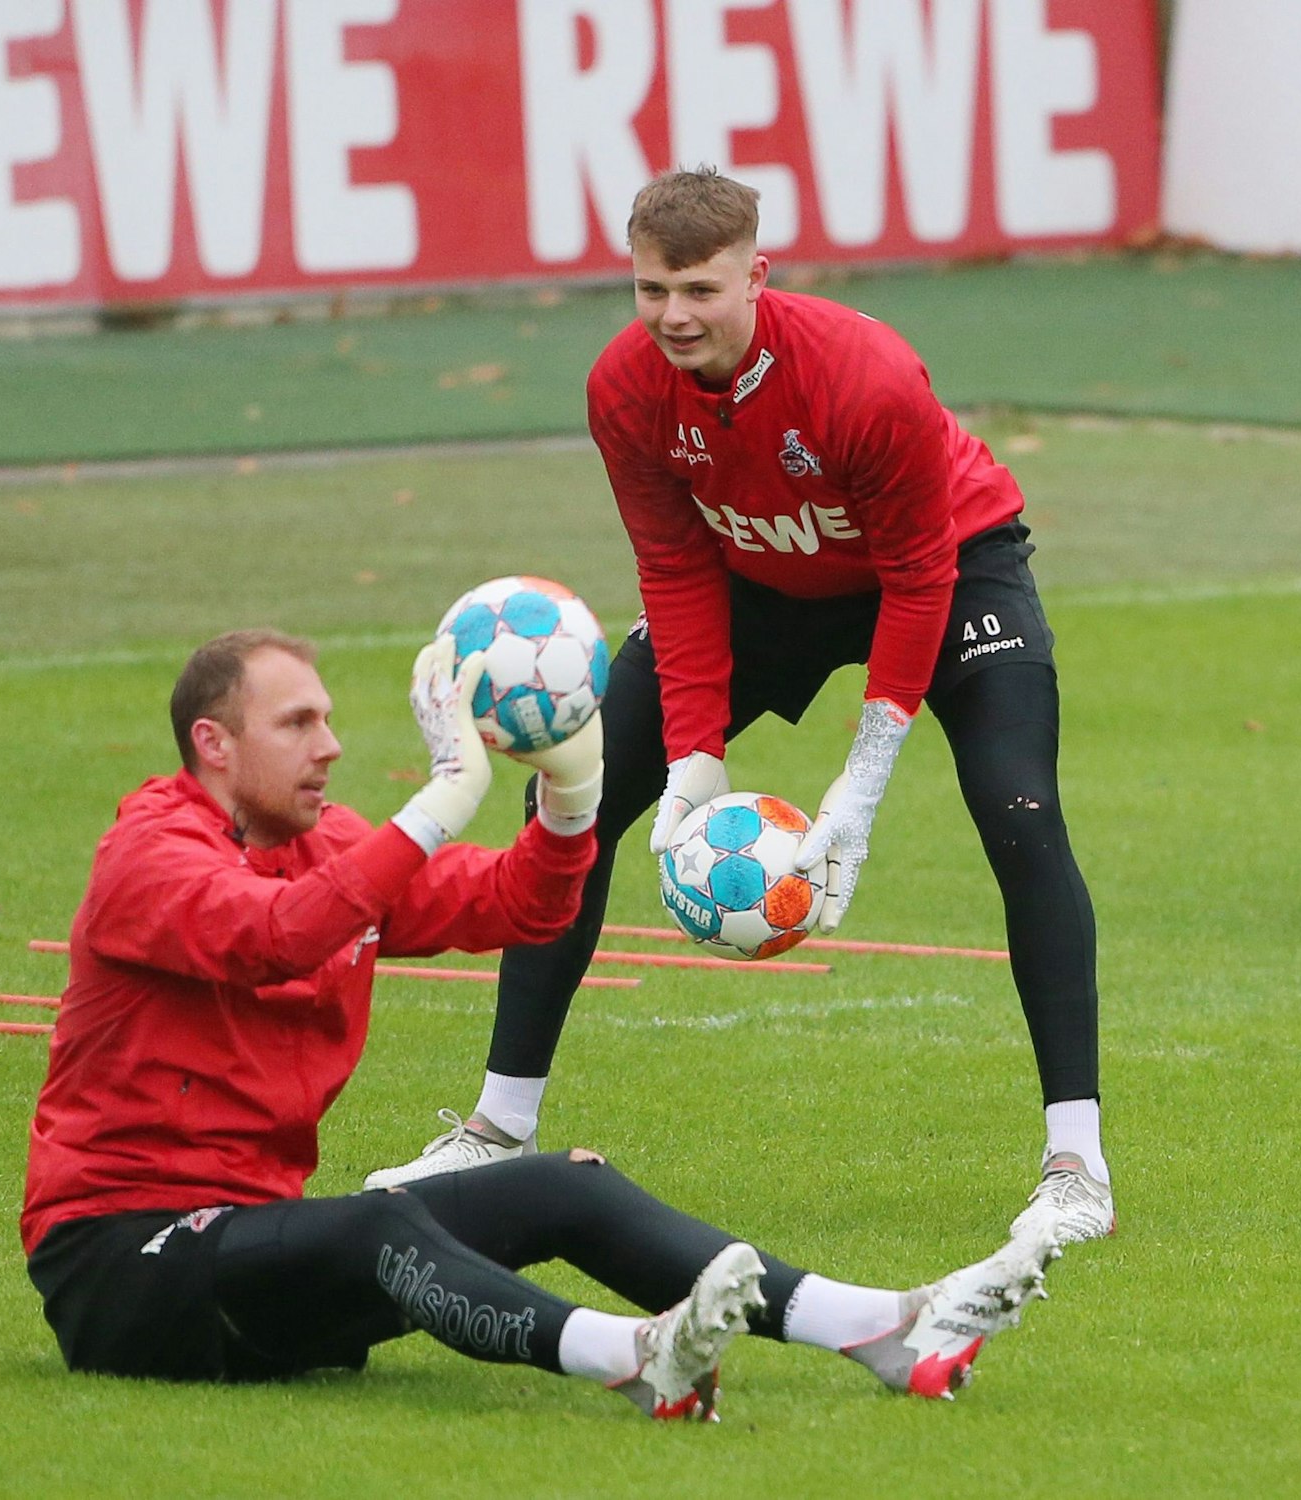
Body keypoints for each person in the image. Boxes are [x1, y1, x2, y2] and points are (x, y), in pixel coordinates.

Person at [21, 627, 1054, 1416]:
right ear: (211, 743)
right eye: (297, 724)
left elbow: (513, 906)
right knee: (387, 1217)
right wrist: (433, 803)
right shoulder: (145, 858)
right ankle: (635, 1359)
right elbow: (276, 937)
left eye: (328, 719)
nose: (329, 746)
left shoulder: (322, 845)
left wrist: (570, 801)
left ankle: (879, 1330)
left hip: (253, 1253)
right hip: (120, 1269)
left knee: (563, 1186)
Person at [367, 167, 1114, 1247]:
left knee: (1019, 813)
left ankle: (1074, 1165)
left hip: (947, 569)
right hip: (754, 581)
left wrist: (859, 782)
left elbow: (914, 578)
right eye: (649, 289)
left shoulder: (866, 378)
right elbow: (672, 572)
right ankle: (495, 1130)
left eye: (699, 291)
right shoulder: (622, 387)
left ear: (755, 276)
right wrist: (692, 761)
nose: (672, 315)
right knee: (570, 799)